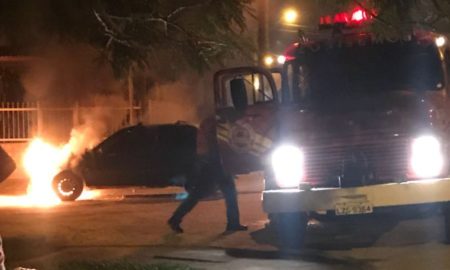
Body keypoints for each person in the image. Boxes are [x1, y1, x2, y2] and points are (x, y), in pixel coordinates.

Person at [167, 117, 247, 233]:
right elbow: (212, 144)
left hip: (216, 163)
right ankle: (175, 218)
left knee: (225, 193)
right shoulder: (212, 123)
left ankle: (233, 223)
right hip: (214, 164)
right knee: (205, 194)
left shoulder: (210, 122)